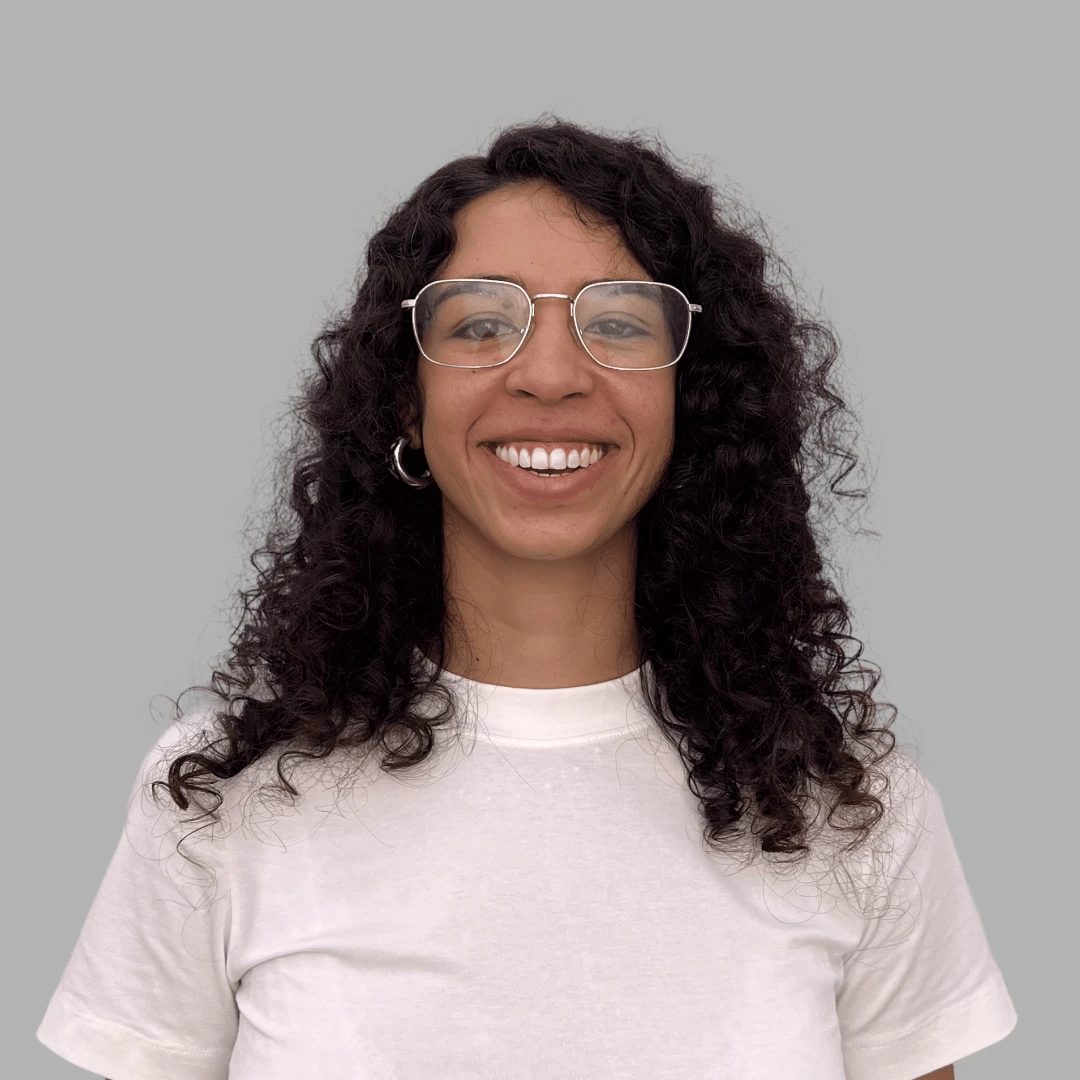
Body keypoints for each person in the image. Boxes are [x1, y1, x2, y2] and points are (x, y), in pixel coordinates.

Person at [37, 118, 1017, 1080]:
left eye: (621, 323)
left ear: (695, 399)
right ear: (406, 405)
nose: (550, 375)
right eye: (482, 324)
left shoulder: (856, 815)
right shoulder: (225, 798)